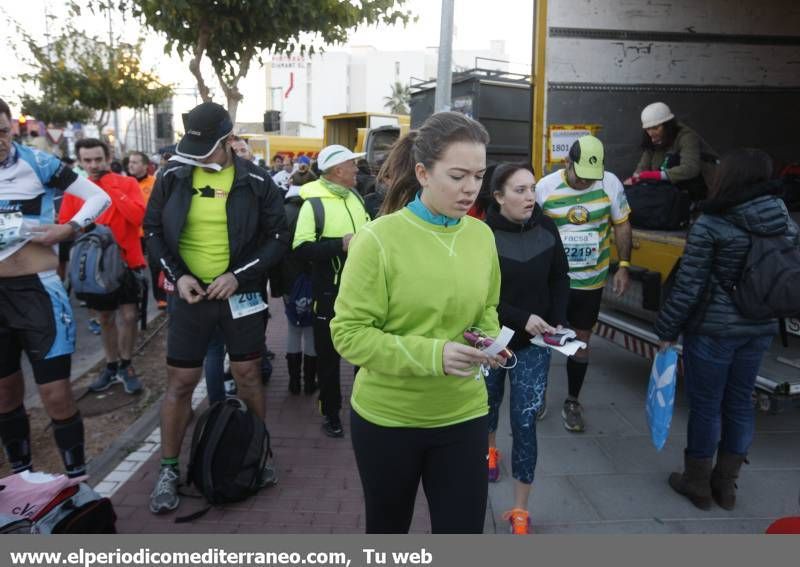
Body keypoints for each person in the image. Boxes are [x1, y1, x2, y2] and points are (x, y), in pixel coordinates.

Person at [330, 112, 506, 533]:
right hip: (389, 420)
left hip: (463, 413)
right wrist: (435, 354)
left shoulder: (481, 235)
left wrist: (487, 339)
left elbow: (488, 307)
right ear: (423, 173)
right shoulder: (378, 239)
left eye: (479, 176)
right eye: (458, 175)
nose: (470, 189)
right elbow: (349, 334)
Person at [144, 102, 289, 514]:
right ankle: (169, 469)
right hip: (190, 294)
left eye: (205, 149)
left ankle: (258, 456)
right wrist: (178, 277)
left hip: (238, 294)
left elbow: (279, 237)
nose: (196, 157)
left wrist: (238, 277)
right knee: (181, 382)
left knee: (247, 375)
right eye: (191, 148)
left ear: (228, 141)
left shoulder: (257, 180)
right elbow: (152, 230)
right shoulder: (173, 175)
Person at [655, 148, 799, 511]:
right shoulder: (784, 220)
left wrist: (667, 329)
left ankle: (698, 483)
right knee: (740, 404)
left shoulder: (712, 222)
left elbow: (689, 285)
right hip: (760, 327)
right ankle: (727, 485)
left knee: (706, 407)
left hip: (714, 332)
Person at [0, 97, 111, 479]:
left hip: (38, 293)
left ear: (12, 128)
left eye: (1, 131)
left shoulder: (37, 162)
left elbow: (99, 197)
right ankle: (21, 481)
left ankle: (78, 482)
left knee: (56, 394)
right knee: (5, 395)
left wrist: (70, 228)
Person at [484, 163, 570, 534]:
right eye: (519, 190)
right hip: (491, 343)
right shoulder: (481, 235)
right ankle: (488, 451)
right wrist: (523, 317)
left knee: (524, 423)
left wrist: (558, 320)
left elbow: (560, 277)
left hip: (535, 346)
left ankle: (520, 509)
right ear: (498, 196)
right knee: (487, 407)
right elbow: (479, 297)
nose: (529, 197)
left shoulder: (548, 227)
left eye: (532, 188)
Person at [536, 135, 632, 433]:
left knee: (580, 342)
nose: (585, 183)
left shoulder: (610, 183)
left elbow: (622, 224)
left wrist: (624, 266)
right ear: (568, 163)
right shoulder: (546, 188)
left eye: (592, 178)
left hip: (590, 281)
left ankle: (572, 401)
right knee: (541, 339)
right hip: (553, 282)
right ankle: (536, 394)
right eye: (580, 176)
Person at [292, 144, 370, 438]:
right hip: (329, 293)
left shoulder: (356, 197)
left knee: (364, 353)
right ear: (338, 171)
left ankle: (363, 407)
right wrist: (340, 244)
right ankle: (331, 414)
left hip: (363, 290)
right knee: (329, 358)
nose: (357, 170)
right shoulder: (313, 204)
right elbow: (300, 250)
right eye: (353, 165)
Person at [60, 139, 147, 395]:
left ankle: (126, 364)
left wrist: (110, 188)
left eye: (98, 159)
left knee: (130, 316)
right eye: (87, 161)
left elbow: (138, 217)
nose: (93, 165)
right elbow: (66, 224)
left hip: (128, 261)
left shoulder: (127, 183)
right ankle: (111, 365)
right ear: (80, 162)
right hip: (98, 267)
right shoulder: (75, 190)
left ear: (108, 157)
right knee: (106, 317)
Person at [626, 101, 718, 200]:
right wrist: (635, 178)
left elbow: (691, 168)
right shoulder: (652, 139)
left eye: (655, 128)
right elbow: (644, 165)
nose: (651, 133)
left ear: (667, 125)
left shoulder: (686, 137)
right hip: (667, 190)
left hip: (697, 187)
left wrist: (656, 175)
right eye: (648, 129)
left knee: (673, 160)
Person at [128, 151, 166, 309]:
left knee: (156, 264)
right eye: (130, 162)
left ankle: (161, 297)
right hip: (131, 233)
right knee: (132, 268)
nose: (131, 165)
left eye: (135, 162)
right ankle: (133, 299)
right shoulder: (125, 183)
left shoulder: (155, 183)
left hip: (150, 232)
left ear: (145, 166)